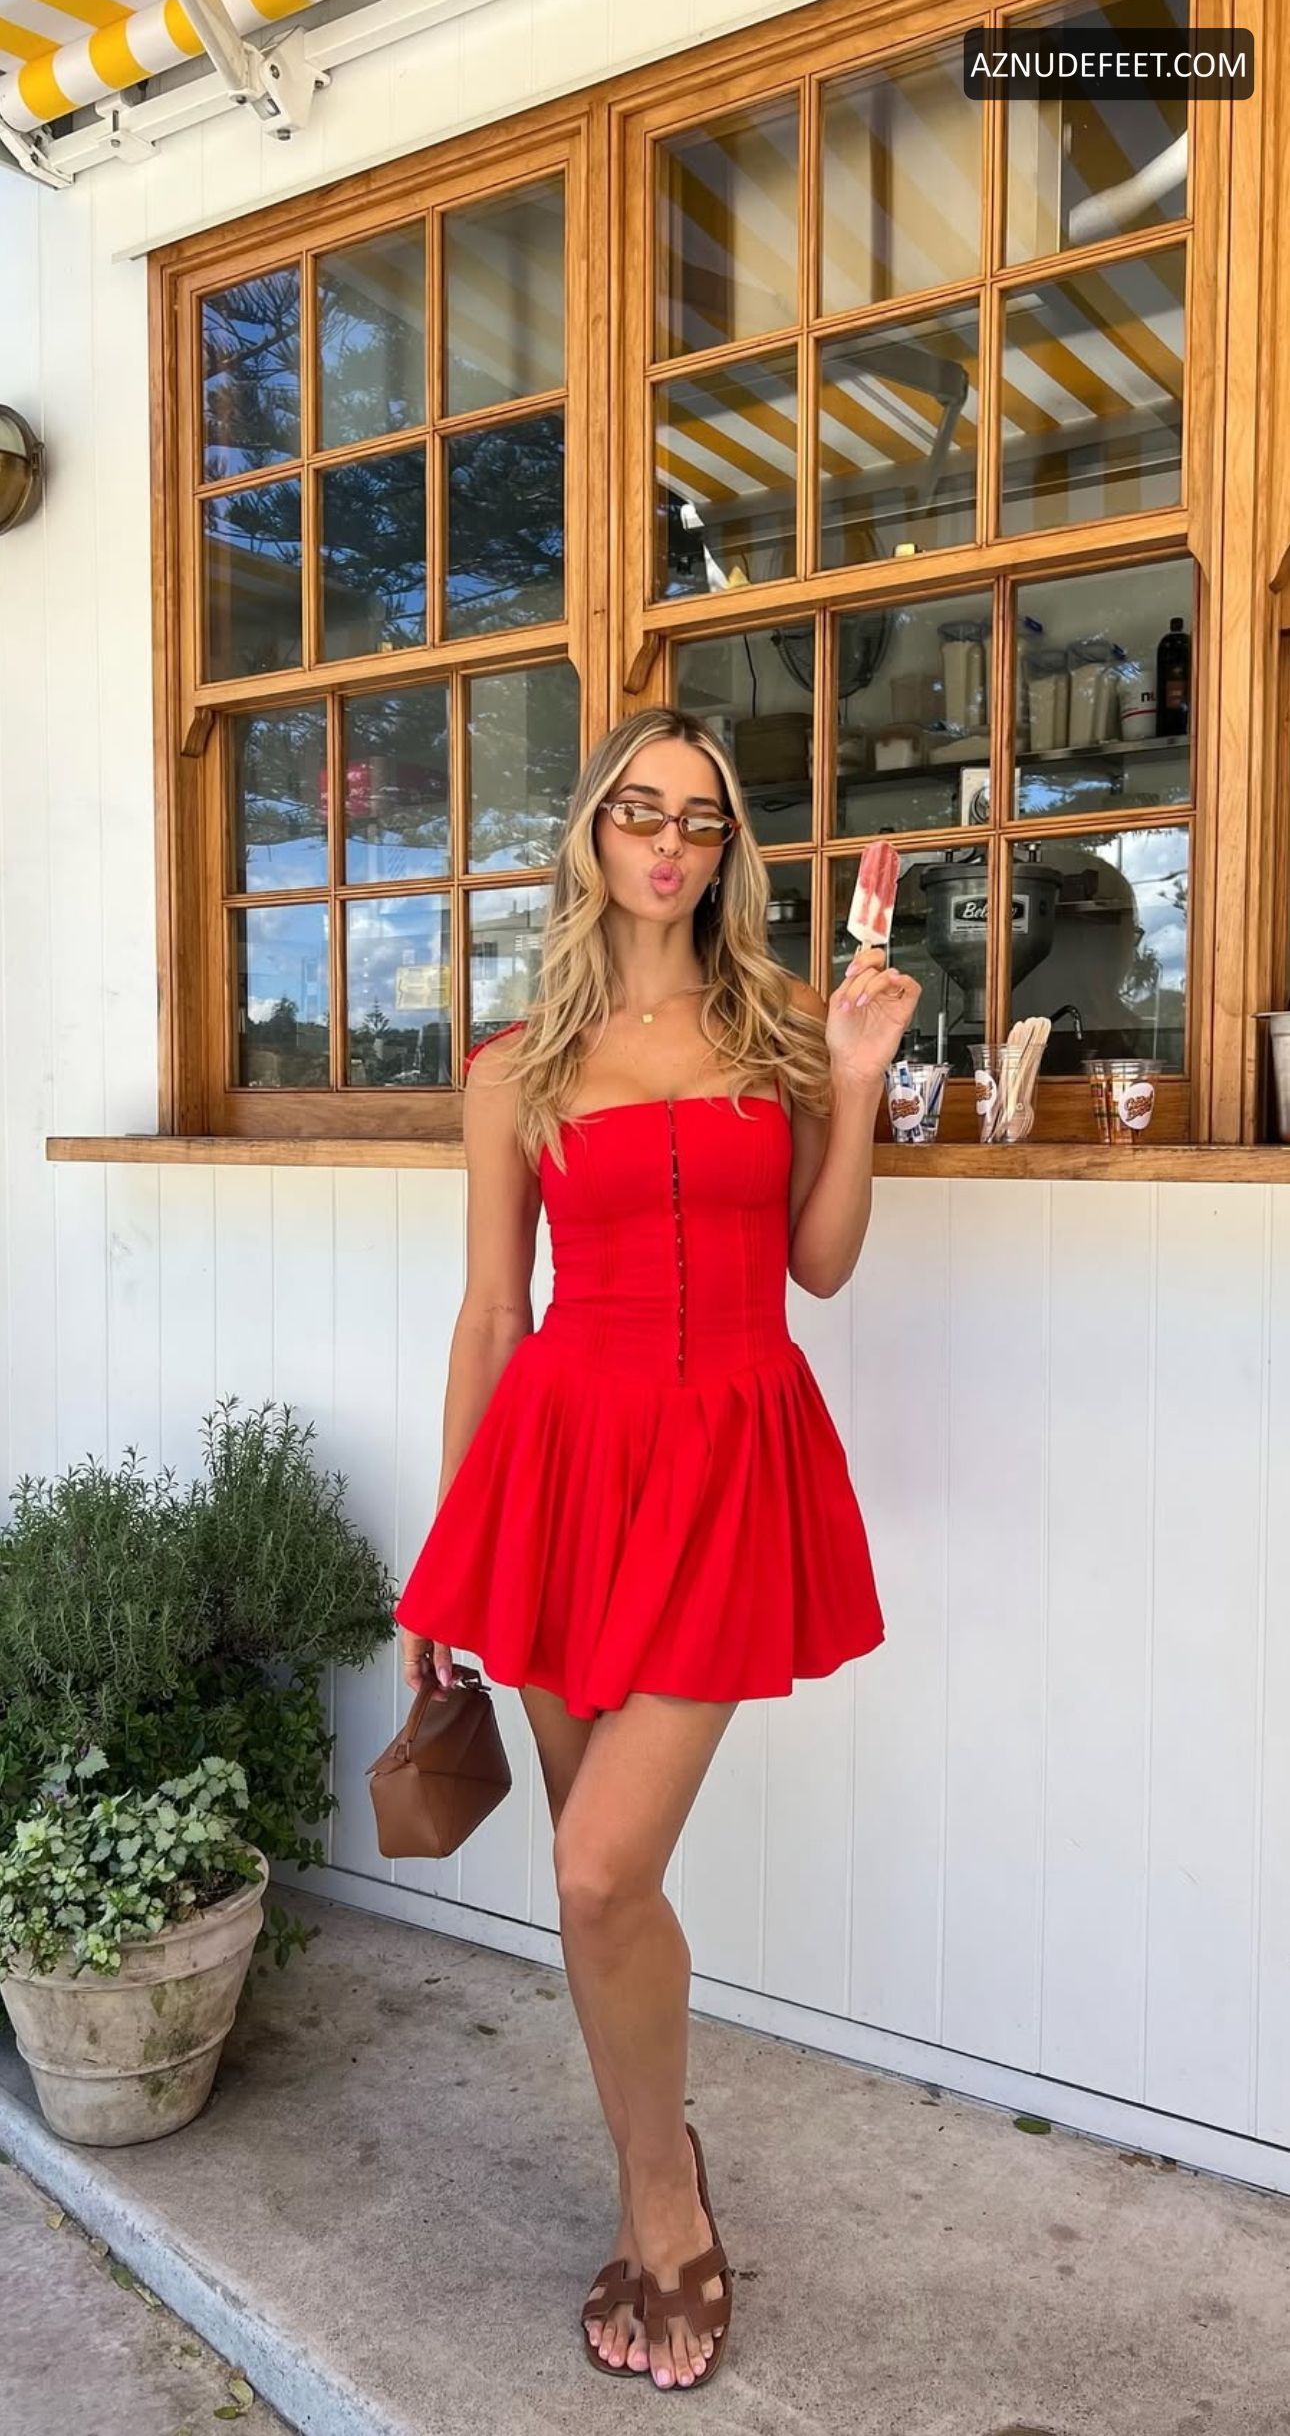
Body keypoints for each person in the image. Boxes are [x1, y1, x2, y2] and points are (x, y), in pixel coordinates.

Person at [394, 704, 921, 2392]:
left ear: (725, 847)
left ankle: (669, 2203)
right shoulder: (513, 1065)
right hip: (556, 1474)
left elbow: (819, 1266)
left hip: (725, 1463)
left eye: (700, 817)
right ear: (594, 831)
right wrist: (449, 1551)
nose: (670, 842)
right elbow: (494, 1312)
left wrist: (854, 1083)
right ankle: (650, 2173)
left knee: (597, 1870)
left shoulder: (783, 1026)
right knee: (591, 1880)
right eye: (640, 810)